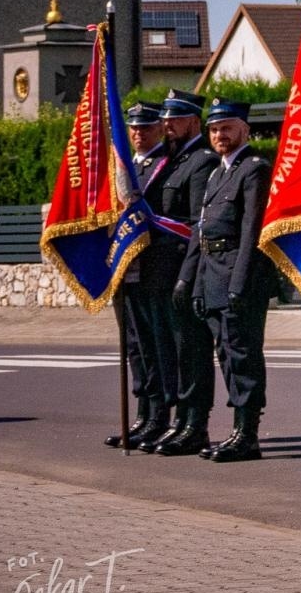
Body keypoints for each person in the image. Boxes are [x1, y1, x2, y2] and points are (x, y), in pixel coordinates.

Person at [178, 99, 274, 463]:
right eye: (215, 129)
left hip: (239, 274)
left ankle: (247, 433)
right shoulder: (218, 173)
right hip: (213, 273)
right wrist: (199, 284)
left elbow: (251, 232)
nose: (220, 135)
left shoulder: (253, 169)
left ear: (244, 130)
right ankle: (237, 431)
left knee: (243, 355)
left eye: (227, 128)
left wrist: (239, 283)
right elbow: (203, 233)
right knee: (226, 355)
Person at [154, 90, 222, 457]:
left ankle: (196, 425)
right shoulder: (173, 160)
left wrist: (187, 276)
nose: (167, 124)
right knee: (174, 352)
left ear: (194, 121)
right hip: (163, 273)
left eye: (175, 118)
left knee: (192, 351)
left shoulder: (201, 162)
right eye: (165, 118)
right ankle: (181, 421)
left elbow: (198, 225)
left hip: (187, 270)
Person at [105, 103, 172, 449]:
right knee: (134, 346)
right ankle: (143, 414)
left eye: (145, 128)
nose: (137, 133)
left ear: (159, 129)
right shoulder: (125, 167)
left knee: (154, 345)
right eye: (132, 128)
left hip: (152, 269)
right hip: (125, 270)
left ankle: (159, 416)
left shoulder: (164, 165)